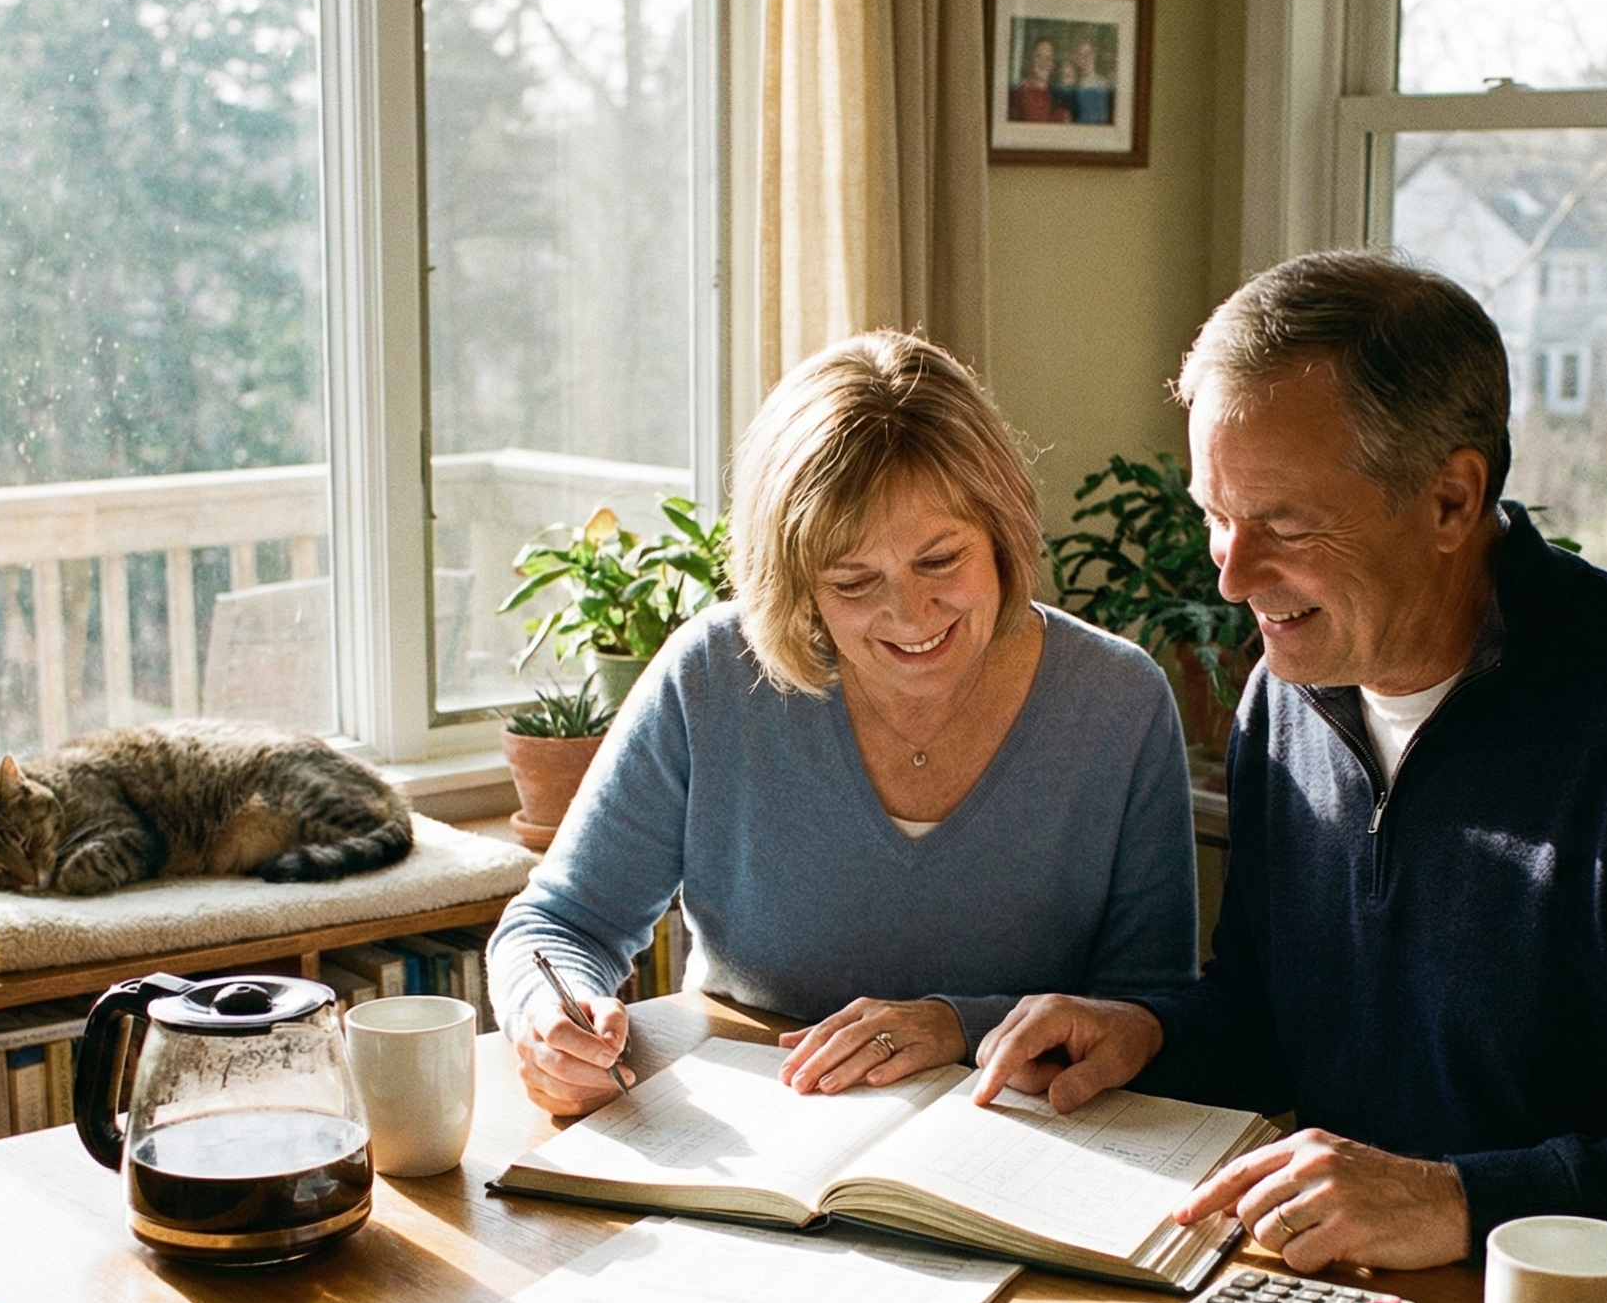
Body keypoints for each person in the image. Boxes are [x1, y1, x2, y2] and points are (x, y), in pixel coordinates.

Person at [972, 250, 1607, 1303]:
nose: (1230, 576)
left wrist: (1458, 1202)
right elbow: (1284, 1016)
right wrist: (1155, 1032)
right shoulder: (1288, 692)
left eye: (1283, 522)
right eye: (1216, 515)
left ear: (1453, 499)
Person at [487, 330, 1198, 1116]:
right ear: (798, 588)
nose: (910, 614)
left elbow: (1148, 1017)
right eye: (854, 581)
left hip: (1018, 1149)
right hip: (759, 1148)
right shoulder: (714, 677)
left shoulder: (1117, 702)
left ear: (1001, 534)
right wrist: (546, 1019)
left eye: (940, 561)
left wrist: (958, 1026)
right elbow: (559, 924)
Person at [1063, 32, 1114, 125]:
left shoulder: (1103, 85)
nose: (1085, 59)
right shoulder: (1073, 86)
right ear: (1076, 58)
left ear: (1095, 54)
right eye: (1080, 55)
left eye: (1088, 54)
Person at [1009, 36, 1063, 124]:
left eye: (1048, 58)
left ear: (1053, 64)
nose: (1044, 62)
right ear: (1031, 60)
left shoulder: (1058, 95)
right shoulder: (1018, 95)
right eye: (1039, 57)